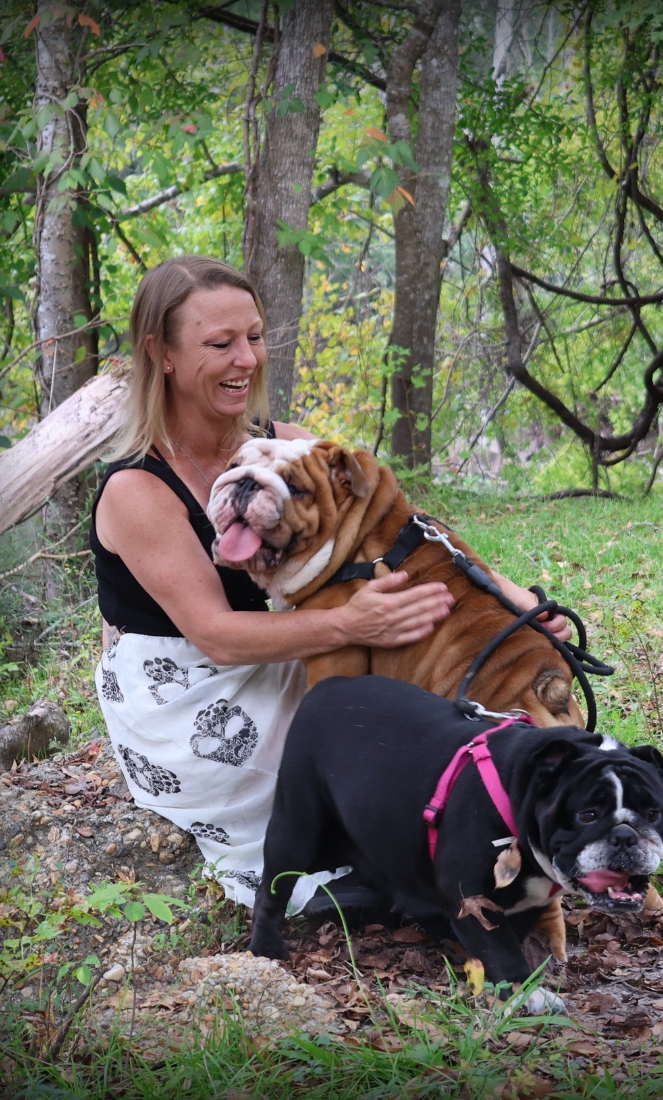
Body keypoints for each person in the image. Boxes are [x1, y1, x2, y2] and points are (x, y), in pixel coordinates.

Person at [91, 255, 570, 912]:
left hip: (285, 650)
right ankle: (370, 857)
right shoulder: (136, 489)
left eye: (254, 337)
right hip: (190, 690)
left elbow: (399, 524)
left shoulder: (280, 444)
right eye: (219, 343)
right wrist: (352, 624)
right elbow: (216, 635)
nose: (246, 359)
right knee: (372, 714)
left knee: (417, 666)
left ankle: (523, 808)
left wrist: (514, 598)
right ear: (161, 353)